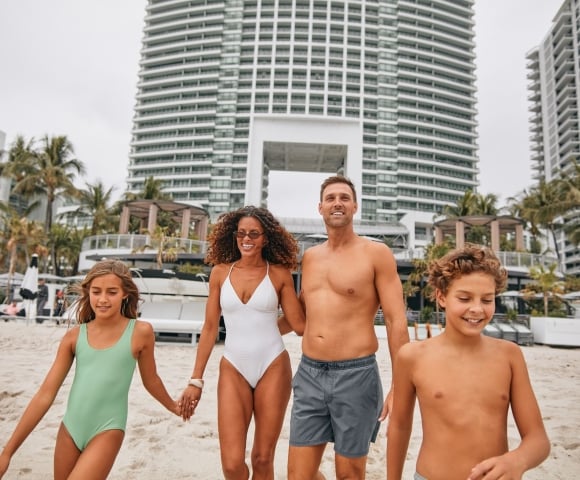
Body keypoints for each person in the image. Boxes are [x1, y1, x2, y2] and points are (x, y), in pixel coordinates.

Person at [0, 260, 180, 480]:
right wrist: (7, 452)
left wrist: (174, 406)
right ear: (88, 293)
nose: (103, 299)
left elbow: (151, 380)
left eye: (112, 292)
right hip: (69, 430)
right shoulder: (74, 337)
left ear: (125, 293)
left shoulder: (140, 332)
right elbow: (45, 395)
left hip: (108, 429)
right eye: (96, 292)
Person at [387, 245, 550, 480]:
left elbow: (538, 439)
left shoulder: (509, 356)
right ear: (441, 297)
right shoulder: (412, 356)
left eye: (487, 300)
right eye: (464, 298)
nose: (476, 309)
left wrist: (518, 460)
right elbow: (399, 427)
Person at [288, 175, 410, 480]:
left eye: (344, 197)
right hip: (309, 374)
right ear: (320, 207)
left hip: (356, 376)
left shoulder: (376, 253)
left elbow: (397, 320)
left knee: (350, 474)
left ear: (355, 206)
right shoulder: (311, 257)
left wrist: (399, 385)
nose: (337, 203)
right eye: (330, 198)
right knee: (298, 475)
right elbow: (299, 316)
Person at [179, 205, 305, 480]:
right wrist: (195, 379)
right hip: (233, 365)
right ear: (234, 237)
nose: (246, 239)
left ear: (266, 239)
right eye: (241, 234)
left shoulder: (279, 274)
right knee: (233, 465)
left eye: (254, 234)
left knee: (262, 459)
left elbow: (299, 326)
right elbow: (211, 328)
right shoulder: (220, 273)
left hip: (273, 364)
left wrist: (310, 294)